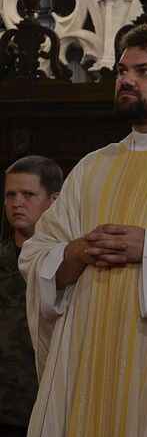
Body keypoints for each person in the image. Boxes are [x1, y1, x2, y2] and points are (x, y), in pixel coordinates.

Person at [18, 24, 147, 437]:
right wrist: (74, 253)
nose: (126, 80)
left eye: (144, 71)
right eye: (122, 70)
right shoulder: (93, 166)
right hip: (87, 354)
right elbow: (36, 255)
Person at [1, 156, 62, 435]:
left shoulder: (66, 266)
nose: (17, 203)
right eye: (10, 195)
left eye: (28, 195)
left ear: (54, 200)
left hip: (42, 406)